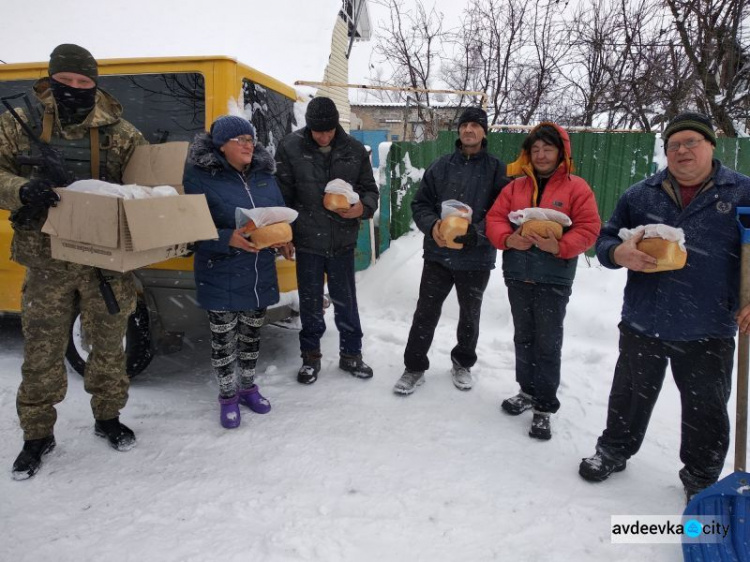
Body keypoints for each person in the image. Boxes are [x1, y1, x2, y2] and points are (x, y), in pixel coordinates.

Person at [578, 112, 750, 501]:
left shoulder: (741, 192)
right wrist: (617, 252)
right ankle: (614, 450)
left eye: (691, 142)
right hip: (645, 318)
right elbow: (604, 240)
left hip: (709, 323)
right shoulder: (641, 195)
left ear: (711, 146)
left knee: (705, 408)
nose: (682, 151)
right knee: (629, 395)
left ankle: (702, 476)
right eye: (674, 145)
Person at [0, 44, 147, 480]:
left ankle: (107, 417)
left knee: (107, 347)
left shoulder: (121, 133)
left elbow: (148, 186)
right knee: (42, 353)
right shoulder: (18, 125)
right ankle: (37, 435)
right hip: (47, 260)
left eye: (85, 83)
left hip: (105, 260)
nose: (75, 89)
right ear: (51, 79)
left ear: (95, 84)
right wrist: (22, 190)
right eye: (66, 81)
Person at [485, 123, 600, 440]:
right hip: (518, 275)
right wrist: (508, 240)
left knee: (547, 343)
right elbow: (494, 219)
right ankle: (526, 390)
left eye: (547, 149)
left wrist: (560, 247)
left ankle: (544, 406)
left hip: (553, 278)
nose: (541, 155)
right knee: (523, 338)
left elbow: (589, 228)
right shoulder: (514, 188)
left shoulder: (577, 188)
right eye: (535, 150)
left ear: (561, 152)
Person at [183, 115, 292, 428]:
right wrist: (224, 237)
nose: (248, 144)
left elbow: (276, 214)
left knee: (251, 337)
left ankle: (247, 388)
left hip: (258, 269)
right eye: (240, 140)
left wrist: (283, 239)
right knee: (223, 341)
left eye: (250, 138)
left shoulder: (263, 174)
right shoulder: (199, 176)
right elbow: (190, 226)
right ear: (221, 145)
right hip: (220, 269)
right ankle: (227, 396)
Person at [393, 107, 508, 395]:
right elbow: (420, 204)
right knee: (426, 311)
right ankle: (414, 366)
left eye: (475, 125)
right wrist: (432, 226)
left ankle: (463, 362)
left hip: (477, 257)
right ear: (458, 131)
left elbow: (501, 212)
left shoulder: (496, 169)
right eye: (464, 125)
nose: (469, 130)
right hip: (438, 254)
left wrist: (476, 233)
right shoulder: (441, 166)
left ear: (484, 131)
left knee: (470, 314)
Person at [275, 96, 379, 385]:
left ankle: (351, 355)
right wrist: (283, 232)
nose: (323, 136)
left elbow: (370, 190)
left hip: (342, 240)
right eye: (317, 131)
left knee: (346, 301)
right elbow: (281, 195)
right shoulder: (290, 147)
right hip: (307, 240)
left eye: (328, 130)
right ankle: (310, 358)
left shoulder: (355, 150)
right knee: (309, 303)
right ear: (308, 127)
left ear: (336, 125)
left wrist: (362, 208)